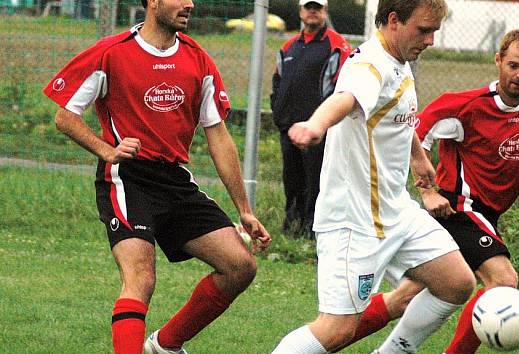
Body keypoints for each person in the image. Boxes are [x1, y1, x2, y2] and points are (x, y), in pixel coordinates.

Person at [341, 28, 519, 353]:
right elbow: (408, 135)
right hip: (459, 208)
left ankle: (328, 340)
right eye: (513, 65)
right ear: (498, 60)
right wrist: (428, 191)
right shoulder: (465, 106)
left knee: (404, 298)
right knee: (503, 281)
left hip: (485, 215)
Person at [42, 0, 271, 352]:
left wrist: (244, 208)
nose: (190, 4)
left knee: (239, 266)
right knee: (141, 278)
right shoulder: (111, 54)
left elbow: (219, 137)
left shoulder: (198, 59)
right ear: (152, 2)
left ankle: (165, 345)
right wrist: (107, 150)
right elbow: (65, 116)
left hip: (175, 180)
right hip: (127, 177)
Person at [271, 1, 476, 353]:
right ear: (394, 20)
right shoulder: (368, 65)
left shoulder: (399, 58)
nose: (429, 41)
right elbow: (346, 100)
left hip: (396, 210)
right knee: (335, 330)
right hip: (355, 220)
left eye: (434, 32)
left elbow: (395, 113)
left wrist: (417, 158)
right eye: (424, 30)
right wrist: (315, 124)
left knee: (455, 282)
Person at [271, 0, 351, 237]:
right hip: (289, 128)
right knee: (292, 181)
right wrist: (279, 113)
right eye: (309, 7)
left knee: (317, 182)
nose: (313, 12)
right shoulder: (288, 47)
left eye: (318, 8)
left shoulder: (337, 45)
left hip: (319, 131)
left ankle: (313, 231)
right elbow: (277, 82)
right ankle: (291, 229)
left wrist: (323, 123)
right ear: (301, 12)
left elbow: (344, 86)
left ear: (325, 12)